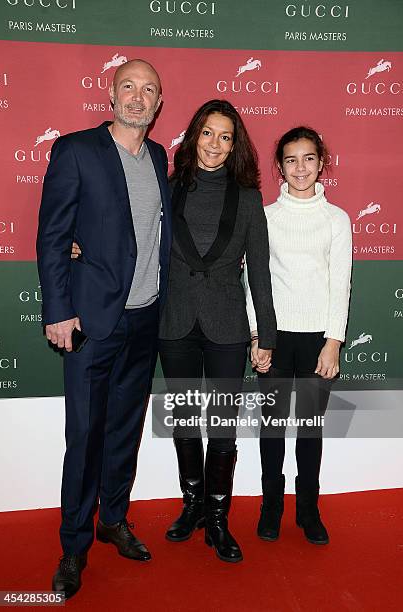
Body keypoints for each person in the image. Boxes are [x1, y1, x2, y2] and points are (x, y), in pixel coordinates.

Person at [36, 59, 172, 599]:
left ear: (159, 104)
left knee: (125, 430)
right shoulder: (76, 150)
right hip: (91, 321)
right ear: (111, 93)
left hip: (145, 317)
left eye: (149, 91)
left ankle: (113, 520)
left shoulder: (160, 157)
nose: (138, 98)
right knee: (85, 437)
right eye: (129, 88)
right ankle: (73, 546)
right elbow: (52, 237)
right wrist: (57, 309)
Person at [158, 99, 276, 563]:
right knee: (186, 420)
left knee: (222, 426)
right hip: (175, 322)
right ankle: (192, 508)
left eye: (225, 136)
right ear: (193, 136)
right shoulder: (169, 188)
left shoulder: (248, 199)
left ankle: (219, 518)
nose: (214, 144)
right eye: (207, 133)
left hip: (228, 326)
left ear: (235, 145)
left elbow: (262, 273)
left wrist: (264, 336)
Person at [245, 126, 352, 545]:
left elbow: (340, 283)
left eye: (309, 158)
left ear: (321, 162)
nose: (301, 167)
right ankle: (271, 505)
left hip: (317, 341)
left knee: (309, 428)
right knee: (271, 428)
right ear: (279, 167)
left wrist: (333, 342)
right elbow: (257, 282)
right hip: (273, 337)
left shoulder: (337, 220)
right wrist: (257, 336)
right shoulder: (265, 217)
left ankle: (309, 509)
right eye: (291, 159)